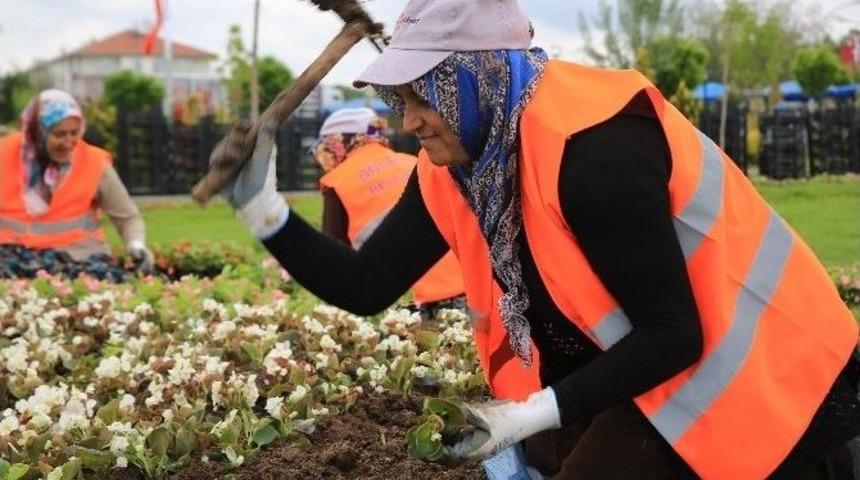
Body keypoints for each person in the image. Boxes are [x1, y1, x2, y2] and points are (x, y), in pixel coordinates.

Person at [217, 0, 860, 478]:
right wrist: (262, 207)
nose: (407, 121)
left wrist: (530, 414)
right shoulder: (457, 164)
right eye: (398, 99)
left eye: (421, 95)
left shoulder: (594, 149)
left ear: (479, 78)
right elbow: (365, 286)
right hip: (648, 375)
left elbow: (675, 334)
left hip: (769, 379)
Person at [313, 107, 465, 315]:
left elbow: (332, 265)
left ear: (335, 144)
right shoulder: (414, 162)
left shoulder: (337, 181)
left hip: (409, 304)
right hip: (469, 293)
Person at [0, 90, 152, 270]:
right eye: (59, 134)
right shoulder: (4, 154)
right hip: (10, 258)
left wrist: (136, 245)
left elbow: (128, 217)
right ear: (37, 133)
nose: (69, 142)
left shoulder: (95, 163)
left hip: (79, 259)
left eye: (74, 133)